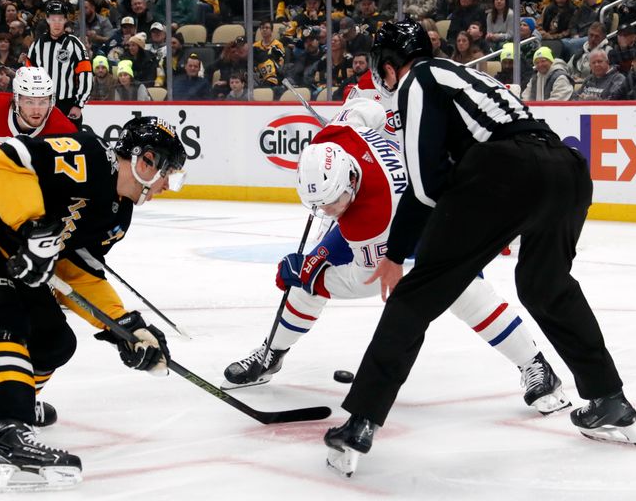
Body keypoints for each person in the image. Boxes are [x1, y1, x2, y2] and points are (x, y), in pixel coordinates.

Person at [324, 19, 636, 478]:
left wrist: (396, 255)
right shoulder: (466, 74)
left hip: (506, 170)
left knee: (417, 295)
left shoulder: (419, 78)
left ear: (390, 66)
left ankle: (360, 422)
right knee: (545, 285)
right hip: (567, 169)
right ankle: (609, 397)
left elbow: (425, 186)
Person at [224, 96, 570, 414]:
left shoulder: (369, 218)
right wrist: (389, 117)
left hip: (434, 218)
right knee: (310, 275)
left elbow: (370, 280)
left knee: (465, 293)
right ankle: (272, 354)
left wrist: (311, 275)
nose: (328, 212)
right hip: (400, 200)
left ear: (351, 181)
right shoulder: (337, 136)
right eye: (320, 206)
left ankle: (537, 366)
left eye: (333, 203)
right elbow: (364, 106)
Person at [0, 116, 186, 492]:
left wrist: (127, 327)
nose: (168, 185)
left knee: (54, 339)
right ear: (145, 160)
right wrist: (32, 228)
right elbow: (5, 161)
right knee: (3, 322)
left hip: (8, 252)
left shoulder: (118, 214)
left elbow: (79, 268)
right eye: (169, 173)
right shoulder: (86, 154)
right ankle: (11, 431)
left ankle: (5, 399)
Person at [26, 0, 92, 130]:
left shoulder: (75, 44)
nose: (57, 23)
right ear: (47, 19)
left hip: (67, 105)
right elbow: (29, 75)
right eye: (53, 19)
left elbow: (86, 75)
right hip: (42, 105)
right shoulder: (37, 45)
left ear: (66, 20)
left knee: (70, 145)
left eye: (60, 19)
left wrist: (78, 105)